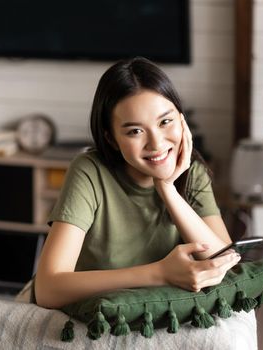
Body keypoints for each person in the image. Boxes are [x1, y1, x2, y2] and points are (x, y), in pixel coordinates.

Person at [35, 57, 240, 309]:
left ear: (182, 121)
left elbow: (226, 266)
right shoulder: (90, 171)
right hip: (92, 314)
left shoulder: (193, 172)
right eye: (135, 131)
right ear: (111, 139)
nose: (156, 144)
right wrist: (159, 274)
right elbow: (47, 290)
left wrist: (167, 189)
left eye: (166, 121)